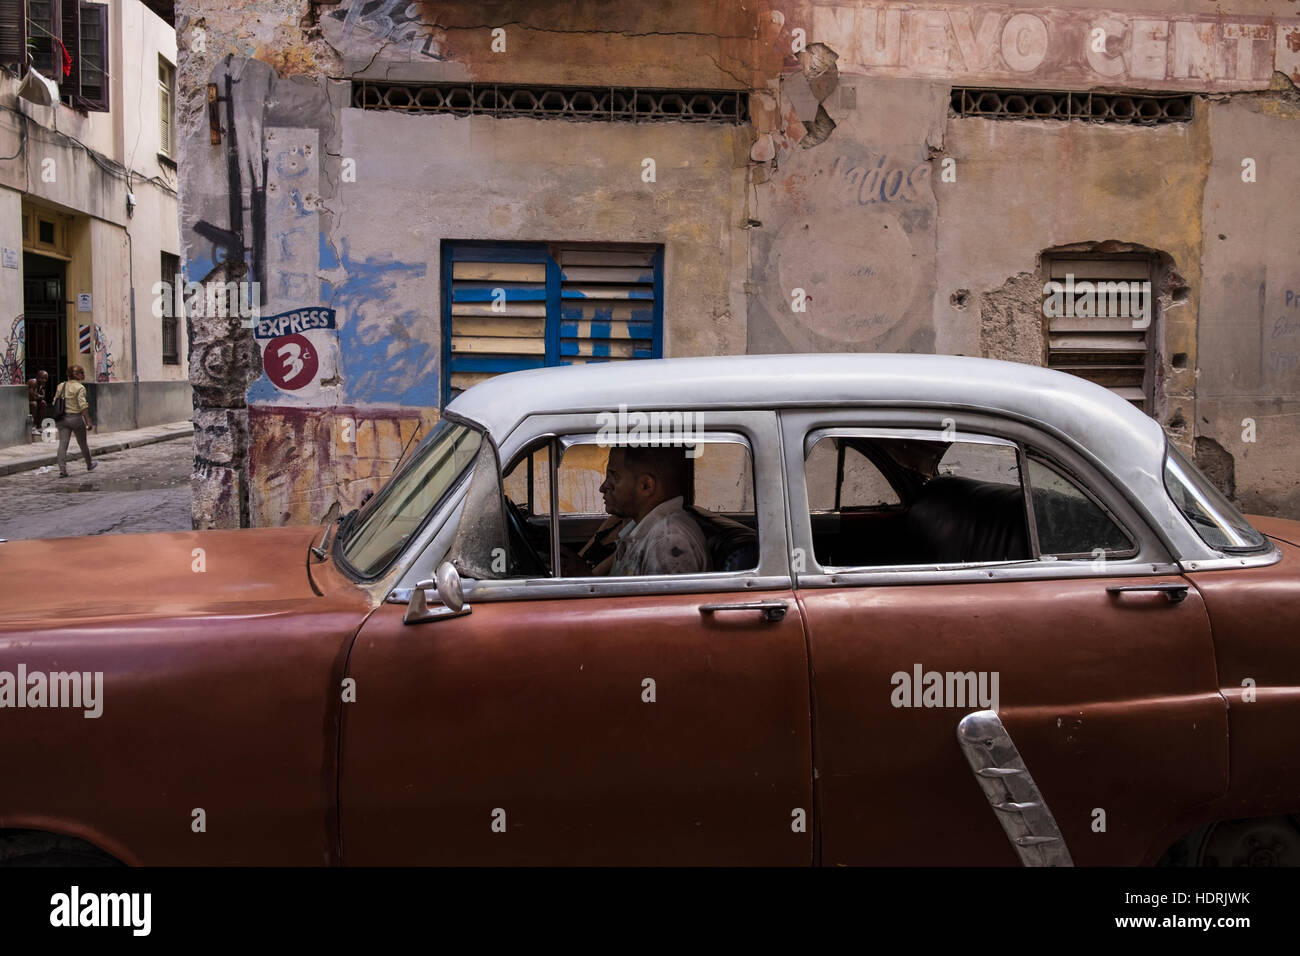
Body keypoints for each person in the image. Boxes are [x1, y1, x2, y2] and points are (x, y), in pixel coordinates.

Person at [598, 445, 710, 577]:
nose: (603, 487)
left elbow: (661, 598)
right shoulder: (640, 528)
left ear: (646, 486)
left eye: (613, 478)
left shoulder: (667, 540)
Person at [54, 365, 96, 478]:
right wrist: (88, 421)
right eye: (82, 373)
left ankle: (62, 470)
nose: (83, 375)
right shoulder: (80, 388)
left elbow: (55, 401)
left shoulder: (61, 386)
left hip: (62, 419)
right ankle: (89, 464)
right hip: (76, 418)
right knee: (82, 443)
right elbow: (83, 406)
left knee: (63, 444)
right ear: (77, 375)